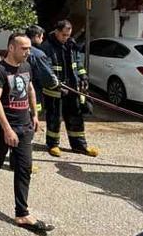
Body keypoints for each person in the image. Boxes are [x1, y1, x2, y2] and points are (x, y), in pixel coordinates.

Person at [0, 33, 54, 234]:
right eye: (24, 48)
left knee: (24, 167)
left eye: (29, 48)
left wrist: (35, 114)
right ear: (11, 48)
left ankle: (22, 213)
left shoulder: (27, 66)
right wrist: (7, 128)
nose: (28, 52)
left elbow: (30, 89)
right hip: (3, 126)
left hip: (24, 125)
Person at [39, 20, 99, 157]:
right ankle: (53, 144)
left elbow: (77, 62)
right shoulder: (47, 47)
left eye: (68, 35)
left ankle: (79, 146)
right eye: (64, 35)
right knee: (54, 117)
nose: (66, 38)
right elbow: (46, 69)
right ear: (57, 32)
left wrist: (83, 76)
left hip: (72, 87)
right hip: (55, 89)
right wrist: (56, 83)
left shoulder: (71, 45)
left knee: (76, 116)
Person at [25, 25, 59, 116]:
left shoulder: (15, 51)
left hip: (16, 95)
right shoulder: (38, 54)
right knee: (33, 117)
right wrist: (56, 84)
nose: (42, 40)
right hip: (33, 93)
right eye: (41, 37)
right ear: (36, 36)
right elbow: (47, 76)